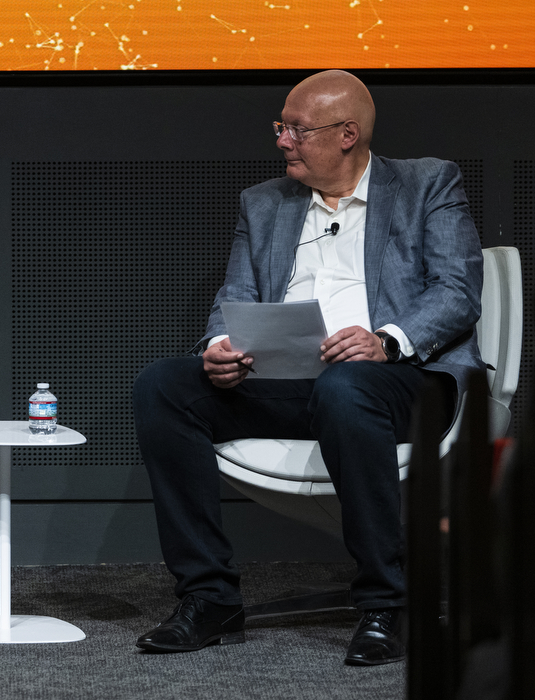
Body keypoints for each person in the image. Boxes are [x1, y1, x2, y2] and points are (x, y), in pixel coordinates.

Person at [131, 69, 484, 665]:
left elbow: (456, 291)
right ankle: (209, 598)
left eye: (296, 129)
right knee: (164, 386)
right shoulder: (264, 203)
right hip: (291, 381)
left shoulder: (428, 184)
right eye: (281, 127)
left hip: (396, 381)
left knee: (347, 388)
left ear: (347, 134)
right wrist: (220, 344)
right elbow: (233, 295)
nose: (282, 141)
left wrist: (386, 341)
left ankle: (386, 603)